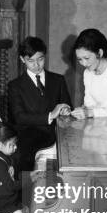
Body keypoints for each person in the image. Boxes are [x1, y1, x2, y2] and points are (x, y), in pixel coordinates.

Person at [8, 36, 72, 171]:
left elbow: (67, 106)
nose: (36, 65)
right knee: (22, 159)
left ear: (45, 57)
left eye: (40, 59)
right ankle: (26, 190)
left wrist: (66, 110)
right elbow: (19, 117)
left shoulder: (58, 80)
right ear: (22, 59)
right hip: (28, 138)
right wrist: (50, 115)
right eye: (30, 61)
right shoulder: (15, 86)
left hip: (57, 134)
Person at [70, 28, 107, 120]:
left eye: (87, 58)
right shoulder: (87, 73)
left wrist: (89, 112)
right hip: (95, 124)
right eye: (80, 59)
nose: (84, 64)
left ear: (100, 53)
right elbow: (88, 103)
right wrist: (82, 110)